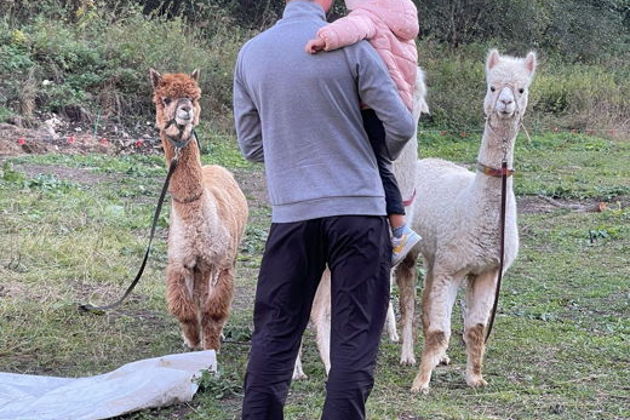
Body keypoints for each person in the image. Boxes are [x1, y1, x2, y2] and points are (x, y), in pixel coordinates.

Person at [233, 0, 414, 418]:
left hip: (291, 217)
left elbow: (251, 145)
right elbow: (401, 125)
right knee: (354, 337)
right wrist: (369, 156)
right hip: (360, 214)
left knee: (275, 335)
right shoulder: (352, 47)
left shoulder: (251, 54)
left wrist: (293, 150)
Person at [306, 0, 422, 266]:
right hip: (397, 101)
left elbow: (351, 28)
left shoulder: (368, 16)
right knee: (381, 163)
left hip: (372, 105)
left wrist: (324, 38)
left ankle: (400, 229)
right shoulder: (402, 24)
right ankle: (397, 227)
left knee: (376, 166)